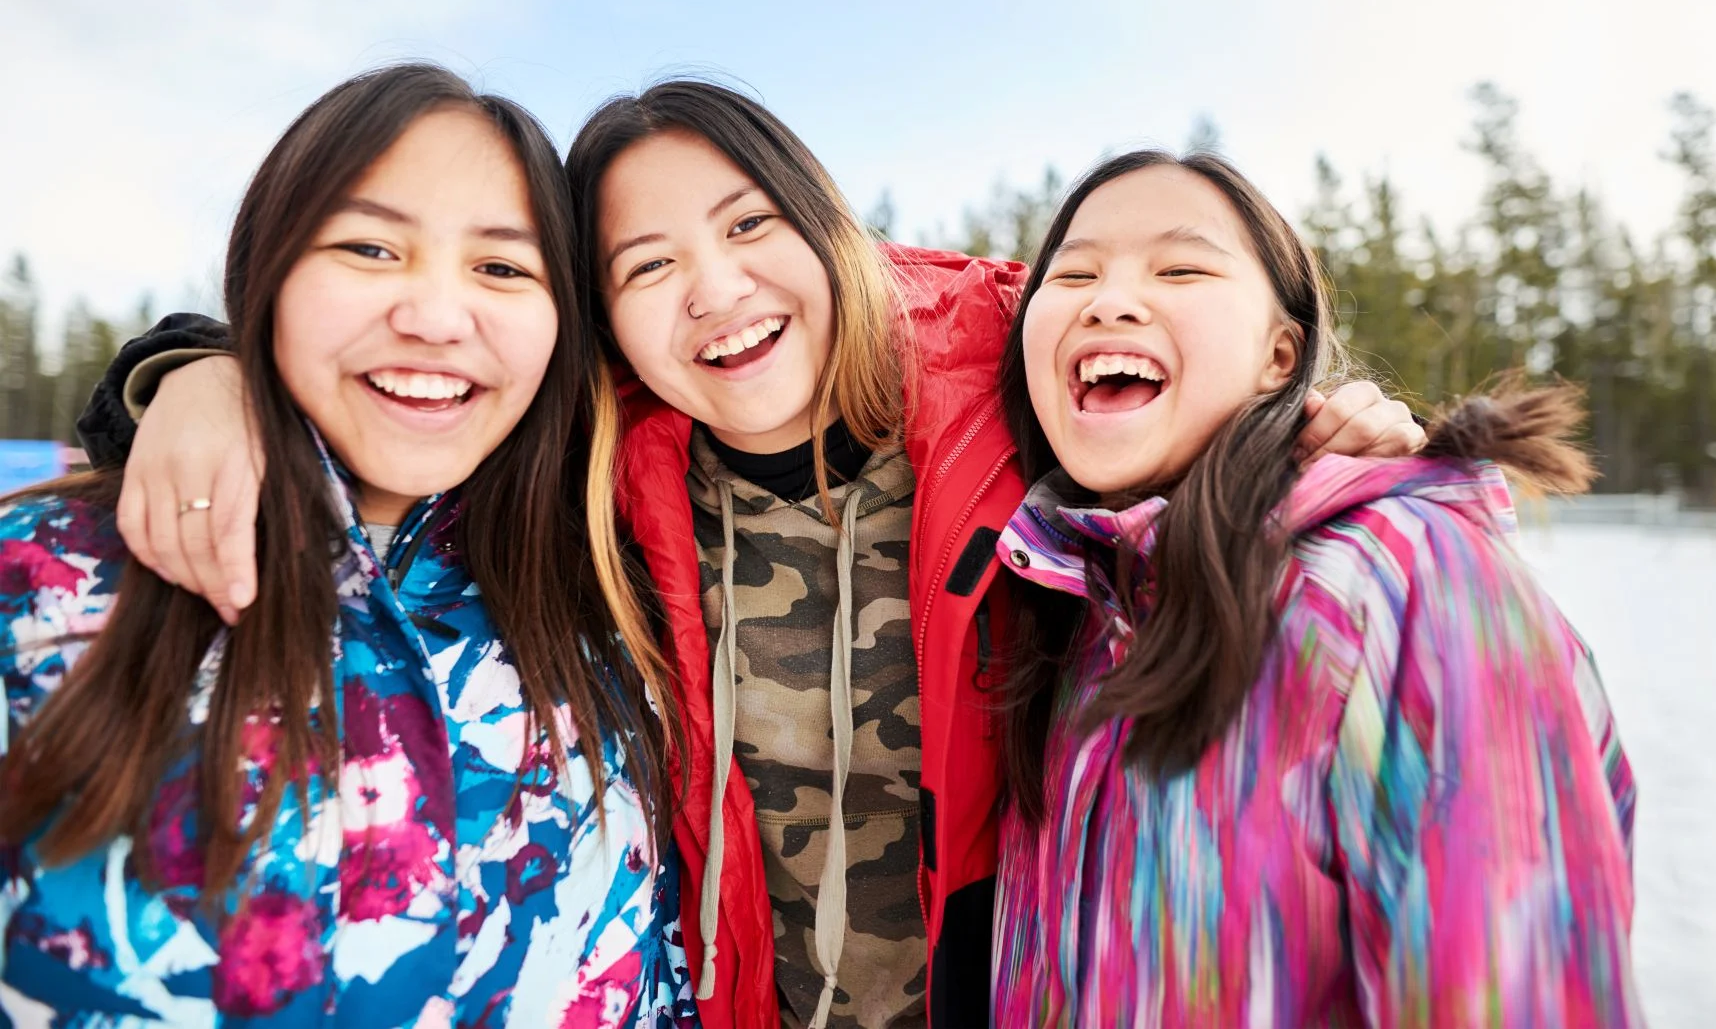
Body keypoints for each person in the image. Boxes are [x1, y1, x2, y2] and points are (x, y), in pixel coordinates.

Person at [80, 82, 1427, 1027]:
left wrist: (1315, 426)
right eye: (644, 264)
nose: (714, 293)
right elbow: (395, 377)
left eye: (745, 228)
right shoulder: (605, 464)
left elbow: (1170, 351)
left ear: (824, 225)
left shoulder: (1011, 386)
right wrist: (194, 370)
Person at [0, 64, 694, 1026]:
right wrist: (199, 369)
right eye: (370, 248)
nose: (437, 317)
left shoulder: (611, 613)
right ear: (271, 269)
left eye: (501, 267)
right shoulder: (38, 587)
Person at [990, 150, 1640, 1026]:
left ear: (1280, 354)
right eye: (1072, 274)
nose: (1108, 299)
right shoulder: (1068, 601)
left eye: (1180, 266)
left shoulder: (1405, 581)